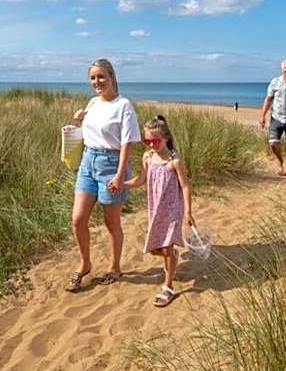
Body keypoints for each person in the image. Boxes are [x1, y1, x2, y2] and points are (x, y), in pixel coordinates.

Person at [65, 59, 141, 292]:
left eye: (101, 77)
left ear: (111, 77)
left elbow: (128, 143)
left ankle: (115, 267)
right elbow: (90, 131)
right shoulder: (92, 102)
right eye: (93, 78)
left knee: (111, 222)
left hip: (111, 164)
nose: (96, 82)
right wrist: (79, 120)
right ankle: (85, 263)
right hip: (88, 162)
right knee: (78, 219)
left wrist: (119, 176)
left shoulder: (123, 105)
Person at [123, 115, 194, 307]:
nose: (151, 145)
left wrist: (188, 211)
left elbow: (185, 186)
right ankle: (171, 257)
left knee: (167, 247)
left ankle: (168, 286)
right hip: (155, 208)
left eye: (155, 141)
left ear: (166, 138)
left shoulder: (175, 161)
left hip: (172, 209)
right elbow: (140, 180)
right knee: (156, 248)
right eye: (147, 141)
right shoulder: (147, 157)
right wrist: (122, 184)